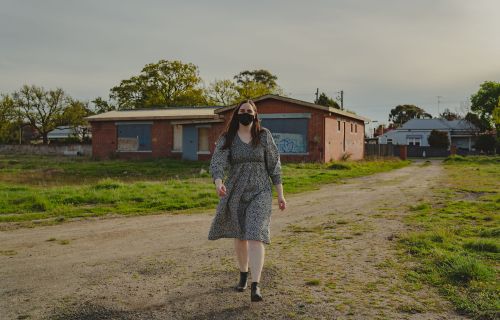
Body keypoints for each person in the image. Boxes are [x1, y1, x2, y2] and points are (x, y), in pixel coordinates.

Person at [208, 99, 287, 302]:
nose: (246, 114)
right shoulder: (228, 137)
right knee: (240, 235)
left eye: (249, 111)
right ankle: (243, 274)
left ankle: (256, 284)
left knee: (255, 235)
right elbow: (218, 162)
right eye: (242, 111)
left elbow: (274, 166)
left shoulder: (263, 136)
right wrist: (218, 182)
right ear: (237, 114)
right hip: (236, 191)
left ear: (255, 114)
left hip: (260, 191)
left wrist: (280, 194)